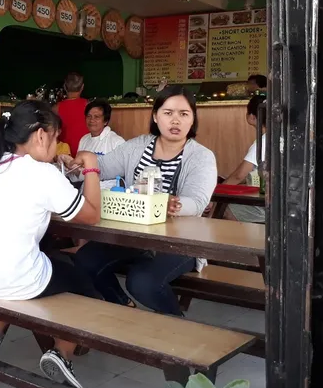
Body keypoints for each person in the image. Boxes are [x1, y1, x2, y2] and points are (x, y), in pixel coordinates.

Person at [0, 100, 102, 388]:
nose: (57, 145)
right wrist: (92, 166)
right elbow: (92, 216)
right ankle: (62, 352)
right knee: (86, 279)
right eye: (56, 138)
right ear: (40, 135)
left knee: (31, 261)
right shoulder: (41, 174)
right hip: (15, 280)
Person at [68, 86, 218, 316]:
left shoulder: (201, 157)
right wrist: (72, 167)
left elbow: (197, 202)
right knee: (85, 260)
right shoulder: (137, 146)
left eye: (184, 114)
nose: (175, 120)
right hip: (134, 235)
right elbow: (102, 168)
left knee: (141, 282)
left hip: (180, 243)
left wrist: (170, 204)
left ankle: (177, 329)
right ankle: (123, 308)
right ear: (156, 117)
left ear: (193, 120)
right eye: (168, 113)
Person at [221, 95, 267, 223]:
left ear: (252, 117)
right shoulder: (278, 136)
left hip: (266, 206)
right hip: (278, 200)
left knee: (222, 207)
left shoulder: (263, 142)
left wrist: (217, 192)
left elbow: (239, 175)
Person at [72, 99, 125, 189]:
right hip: (85, 190)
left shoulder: (117, 141)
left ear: (105, 121)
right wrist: (71, 167)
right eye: (89, 116)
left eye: (96, 117)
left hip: (109, 192)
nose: (91, 120)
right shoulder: (84, 140)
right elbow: (80, 174)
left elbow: (123, 171)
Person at [54, 72, 89, 155]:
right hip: (85, 154)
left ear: (65, 87)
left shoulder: (56, 108)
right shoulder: (89, 105)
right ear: (82, 87)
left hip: (63, 156)